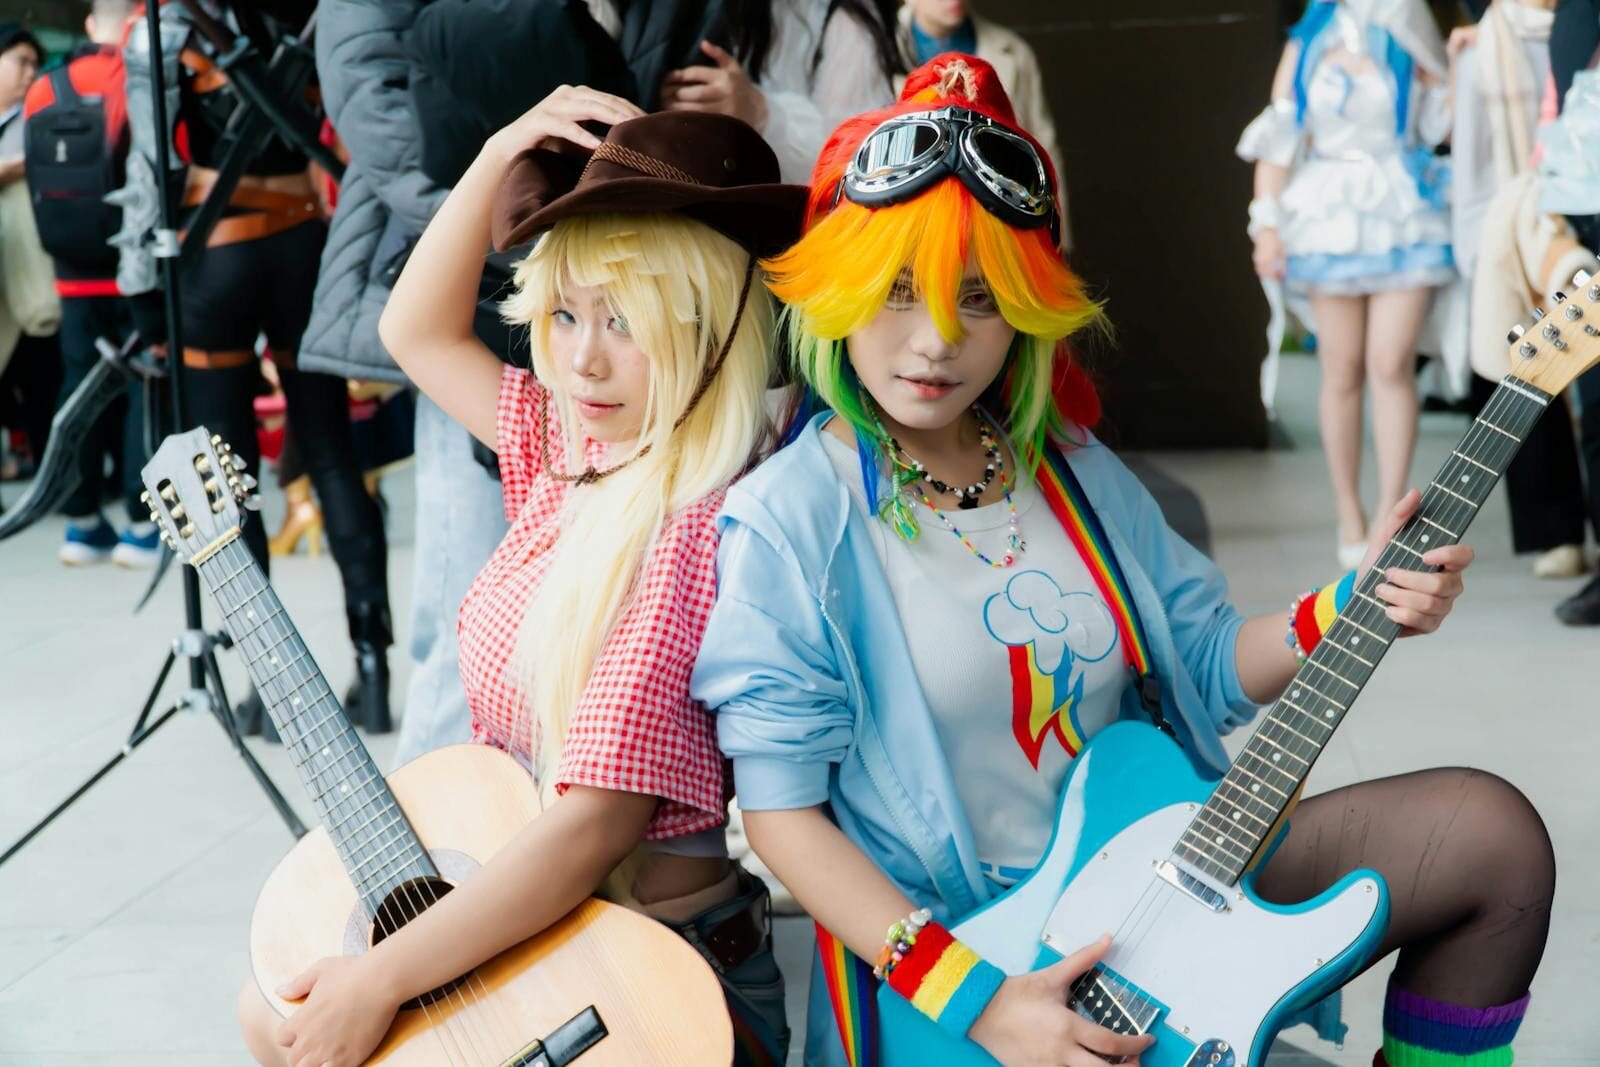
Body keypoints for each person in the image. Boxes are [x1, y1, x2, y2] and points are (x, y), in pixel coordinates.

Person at [691, 54, 1554, 1067]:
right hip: (968, 957)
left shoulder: (1074, 475)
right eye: (894, 292)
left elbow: (1203, 661)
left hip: (1155, 879)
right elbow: (782, 817)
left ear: (1022, 307)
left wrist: (1351, 601)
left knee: (1489, 839)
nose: (933, 341)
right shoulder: (787, 520)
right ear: (836, 292)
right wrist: (983, 999)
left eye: (976, 298)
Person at [236, 88, 806, 1067]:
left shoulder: (703, 524)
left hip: (655, 977)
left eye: (623, 320)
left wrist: (381, 978)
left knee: (308, 1013)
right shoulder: (576, 446)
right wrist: (503, 146)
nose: (581, 356)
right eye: (567, 310)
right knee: (273, 999)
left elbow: (591, 828)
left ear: (712, 325)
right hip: (554, 925)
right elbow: (414, 332)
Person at [113, 1, 394, 735]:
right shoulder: (315, 11)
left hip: (219, 255)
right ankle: (373, 663)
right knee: (331, 455)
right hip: (306, 245)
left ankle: (271, 686)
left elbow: (150, 168)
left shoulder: (168, 23)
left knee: (222, 471)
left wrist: (143, 290)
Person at [1240, 0, 1456, 568]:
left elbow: (1442, 122)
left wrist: (1439, 63)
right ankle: (1348, 510)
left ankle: (1391, 508)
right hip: (1327, 211)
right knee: (1342, 368)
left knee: (1391, 362)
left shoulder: (1409, 19)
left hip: (1402, 203)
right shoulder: (1309, 36)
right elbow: (1279, 138)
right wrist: (1266, 226)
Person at [21, 0, 158, 566]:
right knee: (143, 391)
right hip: (135, 268)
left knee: (79, 389)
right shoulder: (138, 79)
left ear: (87, 24)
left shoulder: (44, 89)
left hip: (71, 270)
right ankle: (142, 527)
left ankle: (80, 523)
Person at [894, 0, 1068, 245]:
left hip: (998, 228)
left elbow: (1044, 152)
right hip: (907, 230)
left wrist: (1058, 243)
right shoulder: (872, 48)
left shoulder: (1015, 53)